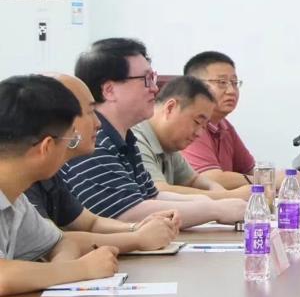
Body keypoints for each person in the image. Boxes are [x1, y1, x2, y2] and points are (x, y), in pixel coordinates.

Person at [60, 39, 245, 228]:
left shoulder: (125, 139)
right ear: (109, 90)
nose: (155, 89)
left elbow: (152, 195)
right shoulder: (95, 140)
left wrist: (211, 203)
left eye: (153, 79)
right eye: (146, 80)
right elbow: (127, 213)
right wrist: (215, 209)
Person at [24, 74, 179, 253]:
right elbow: (55, 243)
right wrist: (137, 239)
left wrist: (137, 228)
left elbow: (90, 222)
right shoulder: (21, 182)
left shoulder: (49, 173)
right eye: (90, 112)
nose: (98, 123)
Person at [0, 75, 120, 297]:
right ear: (46, 148)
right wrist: (81, 269)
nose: (69, 150)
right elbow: (2, 278)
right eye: (69, 141)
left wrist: (62, 272)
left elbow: (61, 242)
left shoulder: (16, 200)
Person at [133, 76, 249, 200]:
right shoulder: (135, 139)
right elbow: (157, 192)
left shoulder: (169, 144)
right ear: (170, 108)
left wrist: (219, 191)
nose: (199, 133)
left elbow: (194, 180)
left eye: (204, 126)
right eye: (197, 122)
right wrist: (229, 196)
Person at [181, 51, 256, 189]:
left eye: (234, 83)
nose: (231, 91)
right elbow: (210, 179)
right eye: (222, 82)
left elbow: (250, 170)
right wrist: (267, 179)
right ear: (196, 86)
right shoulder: (190, 124)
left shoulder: (224, 126)